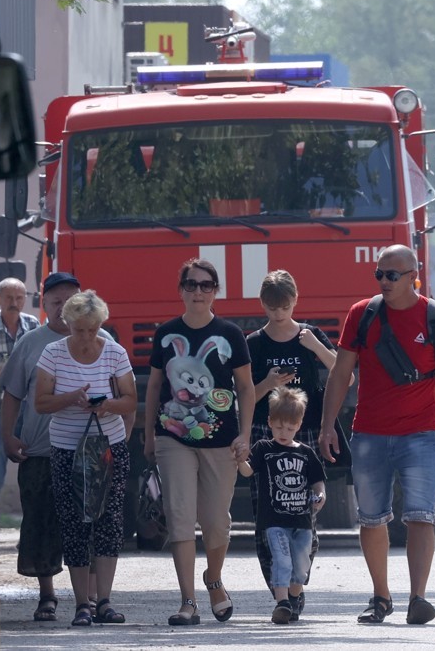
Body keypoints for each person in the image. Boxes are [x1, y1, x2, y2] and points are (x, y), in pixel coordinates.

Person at [318, 244, 435, 626]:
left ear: (414, 277)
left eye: (392, 275)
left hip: (421, 434)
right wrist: (328, 425)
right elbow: (341, 374)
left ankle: (417, 598)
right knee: (371, 519)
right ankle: (380, 597)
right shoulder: (362, 314)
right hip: (370, 433)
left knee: (421, 517)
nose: (384, 281)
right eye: (379, 274)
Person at [143, 258, 255, 626]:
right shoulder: (165, 333)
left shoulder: (230, 335)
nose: (198, 292)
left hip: (221, 441)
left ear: (215, 291)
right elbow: (156, 386)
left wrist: (244, 434)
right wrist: (148, 435)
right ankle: (187, 601)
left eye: (206, 285)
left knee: (216, 522)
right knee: (179, 517)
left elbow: (246, 389)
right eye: (191, 285)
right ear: (181, 290)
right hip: (172, 438)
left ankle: (214, 578)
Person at [0, 272, 111, 622]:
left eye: (70, 300)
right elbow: (12, 394)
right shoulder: (31, 343)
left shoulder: (104, 340)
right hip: (41, 450)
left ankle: (90, 598)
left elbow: (124, 393)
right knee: (42, 522)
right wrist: (8, 436)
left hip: (89, 452)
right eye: (56, 301)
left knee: (90, 522)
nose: (63, 308)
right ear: (43, 304)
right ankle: (47, 596)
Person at [34, 290, 137, 627]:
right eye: (80, 329)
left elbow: (129, 402)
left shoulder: (115, 353)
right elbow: (41, 403)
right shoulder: (52, 353)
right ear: (68, 324)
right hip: (66, 449)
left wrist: (105, 405)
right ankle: (82, 603)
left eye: (92, 329)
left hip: (109, 446)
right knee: (74, 523)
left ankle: (104, 601)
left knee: (108, 522)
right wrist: (72, 398)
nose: (87, 336)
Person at [246, 270, 338, 615]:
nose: (278, 314)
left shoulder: (309, 335)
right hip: (263, 432)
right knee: (266, 517)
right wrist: (268, 382)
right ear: (263, 305)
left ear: (295, 301)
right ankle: (280, 595)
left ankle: (297, 583)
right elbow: (243, 397)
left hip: (305, 432)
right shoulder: (254, 342)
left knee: (304, 515)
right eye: (272, 308)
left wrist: (315, 345)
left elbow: (344, 371)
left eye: (284, 307)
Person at [238, 387, 327, 625]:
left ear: (299, 425)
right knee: (281, 560)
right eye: (278, 427)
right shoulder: (264, 449)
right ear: (269, 422)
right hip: (274, 521)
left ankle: (294, 599)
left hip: (302, 521)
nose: (283, 432)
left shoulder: (306, 453)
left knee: (301, 566)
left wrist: (320, 495)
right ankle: (282, 603)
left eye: (289, 428)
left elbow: (318, 480)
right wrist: (239, 460)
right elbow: (248, 471)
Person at [0, 277, 40, 498]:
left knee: (36, 463)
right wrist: (13, 372)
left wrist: (4, 370)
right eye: (8, 297)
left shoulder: (33, 326)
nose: (14, 302)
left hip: (28, 406)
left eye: (19, 297)